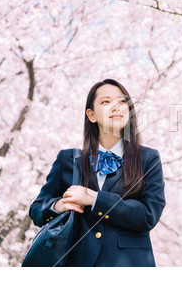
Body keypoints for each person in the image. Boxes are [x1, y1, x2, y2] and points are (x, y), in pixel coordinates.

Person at [28, 78, 166, 267]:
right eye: (106, 102)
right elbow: (36, 210)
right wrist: (60, 205)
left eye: (122, 101)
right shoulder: (68, 159)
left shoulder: (148, 158)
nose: (116, 107)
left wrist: (94, 199)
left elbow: (148, 215)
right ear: (91, 115)